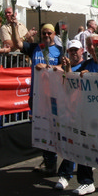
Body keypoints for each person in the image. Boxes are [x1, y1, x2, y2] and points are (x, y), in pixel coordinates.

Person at [59, 38, 98, 196]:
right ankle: (86, 182)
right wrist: (69, 68)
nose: (92, 47)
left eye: (95, 44)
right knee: (84, 145)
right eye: (90, 45)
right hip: (87, 111)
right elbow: (71, 80)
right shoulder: (87, 64)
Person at [11, 20, 63, 177]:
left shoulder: (60, 50)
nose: (46, 35)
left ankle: (60, 162)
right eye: (44, 33)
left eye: (49, 33)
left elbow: (65, 67)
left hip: (53, 96)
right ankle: (48, 160)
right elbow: (17, 44)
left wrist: (48, 67)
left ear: (54, 34)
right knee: (42, 129)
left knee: (54, 129)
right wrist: (14, 26)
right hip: (36, 96)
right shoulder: (35, 48)